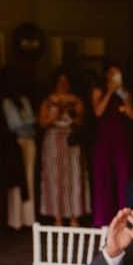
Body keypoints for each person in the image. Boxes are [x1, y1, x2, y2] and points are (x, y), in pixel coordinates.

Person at [39, 68, 90, 227]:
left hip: (71, 140)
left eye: (66, 81)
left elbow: (81, 121)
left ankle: (74, 216)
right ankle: (57, 217)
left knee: (74, 176)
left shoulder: (76, 100)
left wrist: (72, 113)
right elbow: (42, 122)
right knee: (55, 178)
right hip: (53, 140)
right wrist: (55, 114)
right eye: (60, 81)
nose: (63, 84)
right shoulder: (48, 100)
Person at [92, 62, 133, 227]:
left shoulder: (124, 92)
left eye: (118, 73)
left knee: (123, 176)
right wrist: (110, 91)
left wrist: (123, 95)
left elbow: (131, 114)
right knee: (104, 177)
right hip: (103, 139)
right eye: (112, 73)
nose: (114, 77)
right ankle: (103, 219)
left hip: (121, 138)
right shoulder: (99, 91)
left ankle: (124, 216)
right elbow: (98, 112)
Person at [2, 74, 36, 230]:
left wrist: (25, 122)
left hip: (29, 141)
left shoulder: (23, 100)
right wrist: (28, 121)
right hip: (16, 144)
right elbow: (14, 124)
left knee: (29, 180)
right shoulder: (7, 102)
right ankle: (16, 220)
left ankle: (28, 219)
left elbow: (28, 120)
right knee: (17, 182)